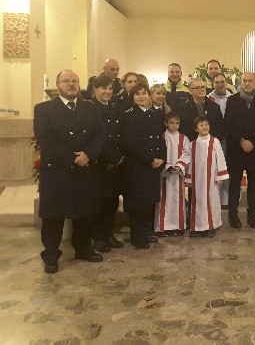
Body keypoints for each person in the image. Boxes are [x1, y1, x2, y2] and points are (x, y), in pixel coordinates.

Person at [34, 69, 106, 273]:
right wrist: (74, 157)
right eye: (66, 81)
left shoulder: (90, 108)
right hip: (57, 171)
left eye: (75, 81)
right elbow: (45, 140)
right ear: (58, 85)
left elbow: (100, 134)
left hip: (84, 169)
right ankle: (51, 255)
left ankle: (83, 249)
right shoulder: (43, 109)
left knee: (84, 214)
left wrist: (88, 154)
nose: (71, 84)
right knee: (53, 216)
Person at [121, 83, 167, 249]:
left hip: (153, 166)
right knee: (138, 203)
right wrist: (150, 159)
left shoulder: (154, 114)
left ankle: (147, 232)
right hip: (138, 166)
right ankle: (137, 236)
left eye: (144, 93)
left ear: (148, 95)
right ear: (132, 98)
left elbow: (160, 138)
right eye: (137, 94)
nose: (141, 96)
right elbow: (132, 143)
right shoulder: (129, 116)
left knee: (149, 201)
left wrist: (162, 157)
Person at [224, 72, 255, 229]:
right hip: (236, 149)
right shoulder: (232, 100)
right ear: (240, 82)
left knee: (254, 184)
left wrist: (253, 143)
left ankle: (252, 215)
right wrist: (241, 140)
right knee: (234, 184)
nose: (247, 83)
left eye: (250, 81)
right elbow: (228, 125)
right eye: (244, 81)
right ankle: (233, 216)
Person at [90, 75, 125, 253]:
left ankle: (108, 233)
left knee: (112, 201)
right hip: (100, 164)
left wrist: (119, 157)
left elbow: (118, 135)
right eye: (103, 88)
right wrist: (112, 158)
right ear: (95, 90)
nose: (107, 92)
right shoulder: (90, 109)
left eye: (110, 88)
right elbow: (97, 138)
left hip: (115, 164)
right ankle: (98, 237)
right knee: (99, 202)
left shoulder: (113, 108)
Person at [187, 117, 229, 237]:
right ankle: (197, 227)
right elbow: (190, 162)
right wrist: (189, 179)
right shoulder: (192, 144)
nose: (205, 127)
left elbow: (220, 158)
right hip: (197, 180)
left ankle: (212, 226)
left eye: (206, 124)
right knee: (197, 202)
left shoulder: (214, 141)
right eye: (201, 125)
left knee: (212, 202)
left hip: (211, 179)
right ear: (196, 129)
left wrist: (220, 176)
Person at [154, 112, 191, 236]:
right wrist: (168, 166)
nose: (174, 126)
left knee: (178, 199)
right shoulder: (162, 137)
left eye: (177, 123)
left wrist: (179, 166)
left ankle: (178, 226)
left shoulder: (184, 138)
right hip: (165, 173)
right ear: (165, 123)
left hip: (178, 174)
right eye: (171, 123)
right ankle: (163, 227)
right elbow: (158, 154)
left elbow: (187, 154)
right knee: (164, 199)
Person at [208, 72, 232, 209]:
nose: (220, 84)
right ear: (213, 84)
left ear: (226, 83)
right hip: (215, 137)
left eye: (222, 82)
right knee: (214, 166)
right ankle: (215, 197)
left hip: (229, 138)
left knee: (227, 166)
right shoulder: (209, 99)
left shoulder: (233, 98)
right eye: (217, 82)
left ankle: (227, 199)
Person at [177, 77, 224, 142]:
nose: (201, 89)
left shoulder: (214, 107)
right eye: (197, 87)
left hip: (211, 145)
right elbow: (182, 128)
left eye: (203, 87)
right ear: (190, 91)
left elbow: (220, 128)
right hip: (191, 145)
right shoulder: (183, 108)